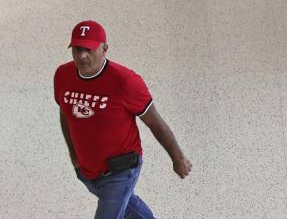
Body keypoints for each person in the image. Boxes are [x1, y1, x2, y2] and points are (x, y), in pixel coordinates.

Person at [55, 20, 191, 219]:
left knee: (114, 206)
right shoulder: (63, 75)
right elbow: (66, 113)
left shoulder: (125, 81)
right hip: (87, 169)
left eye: (89, 50)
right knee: (127, 205)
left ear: (105, 49)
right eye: (77, 49)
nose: (82, 56)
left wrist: (178, 158)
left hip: (120, 170)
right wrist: (74, 155)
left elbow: (155, 123)